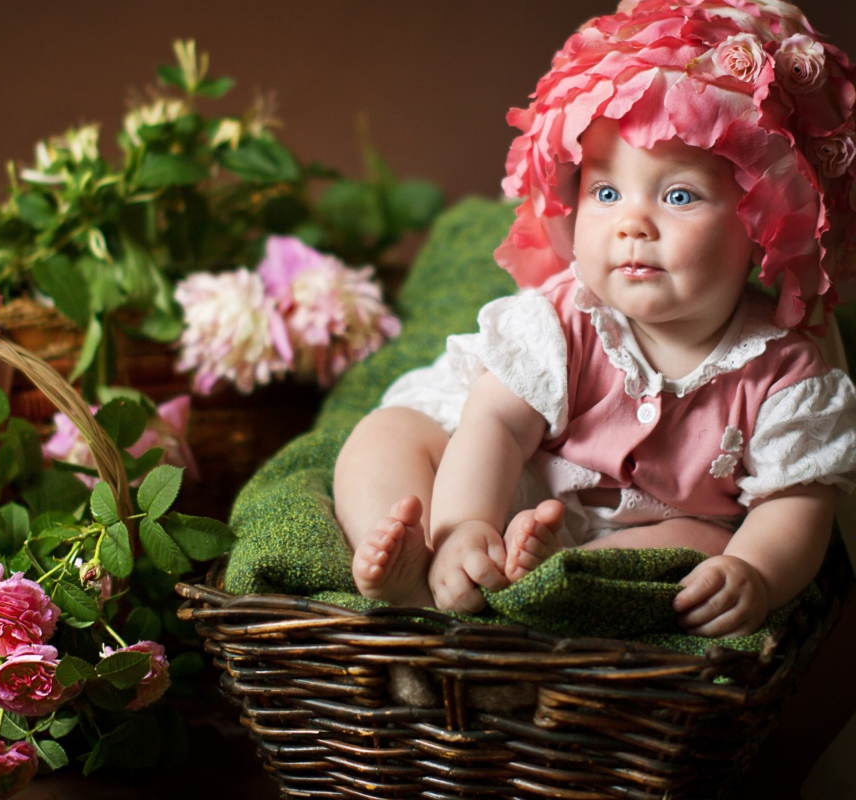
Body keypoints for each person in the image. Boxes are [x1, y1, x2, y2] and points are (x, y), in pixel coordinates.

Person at [333, 0, 856, 637]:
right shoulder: (564, 318)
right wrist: (468, 524)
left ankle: (561, 589)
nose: (632, 223)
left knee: (708, 548)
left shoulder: (784, 372)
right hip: (509, 484)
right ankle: (425, 573)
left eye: (679, 195)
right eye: (606, 193)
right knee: (384, 436)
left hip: (647, 532)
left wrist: (757, 571)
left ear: (762, 225)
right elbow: (494, 426)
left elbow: (798, 502)